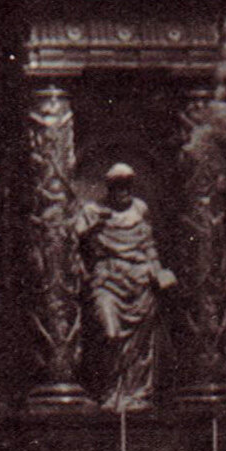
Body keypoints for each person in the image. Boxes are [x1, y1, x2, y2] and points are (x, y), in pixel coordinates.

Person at [77, 164, 179, 405]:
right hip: (108, 280)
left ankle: (133, 393)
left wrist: (159, 272)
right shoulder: (93, 210)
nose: (124, 191)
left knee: (139, 346)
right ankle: (110, 389)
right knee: (110, 333)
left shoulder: (140, 209)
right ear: (109, 188)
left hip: (140, 284)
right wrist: (93, 226)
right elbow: (73, 238)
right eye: (118, 186)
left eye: (127, 185)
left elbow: (148, 245)